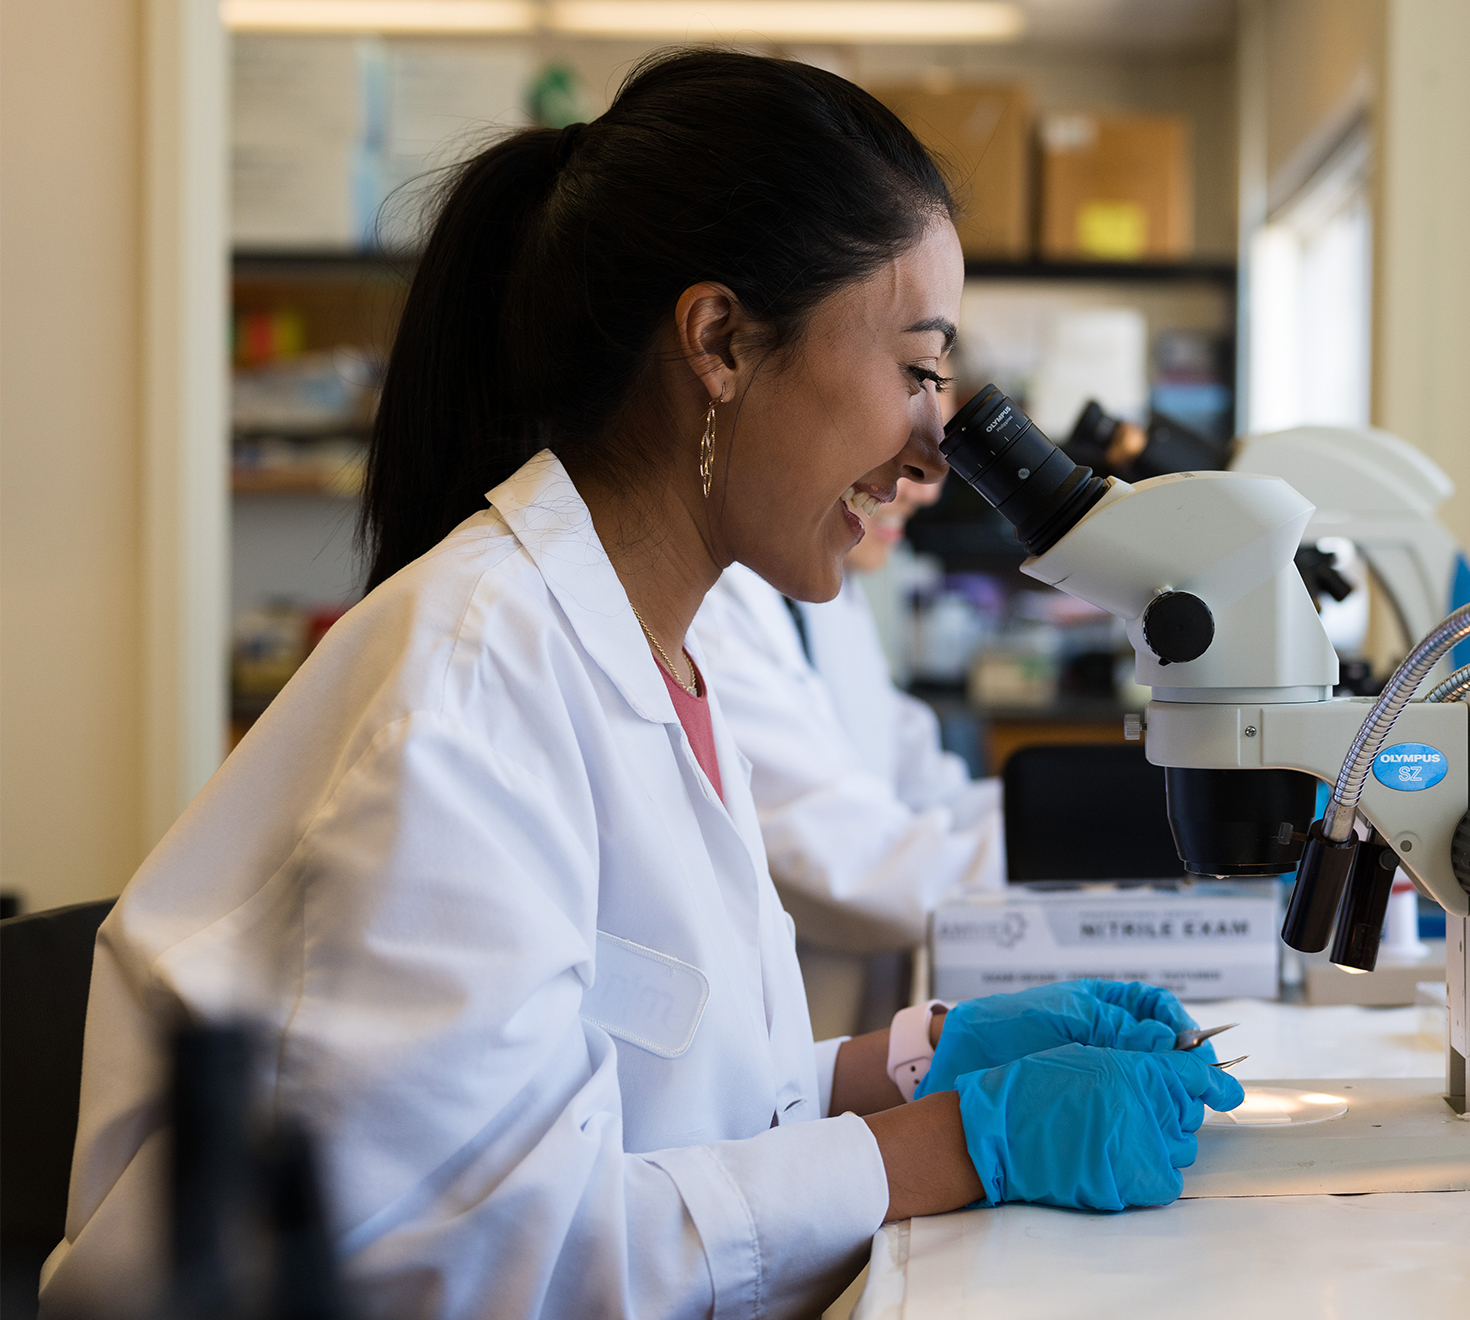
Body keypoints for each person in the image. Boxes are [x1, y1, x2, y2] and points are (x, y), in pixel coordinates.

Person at [42, 51, 1239, 1320]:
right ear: (719, 341)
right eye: (915, 368)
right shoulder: (467, 696)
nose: (933, 441)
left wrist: (899, 1066)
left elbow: (658, 1100)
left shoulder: (665, 650)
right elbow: (480, 1264)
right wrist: (955, 1148)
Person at [691, 474, 1002, 1018]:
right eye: (906, 416)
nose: (927, 488)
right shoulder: (710, 609)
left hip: (848, 1027)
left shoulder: (828, 594)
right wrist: (1050, 849)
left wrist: (1063, 819)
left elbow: (922, 786)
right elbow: (849, 864)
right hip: (782, 1025)